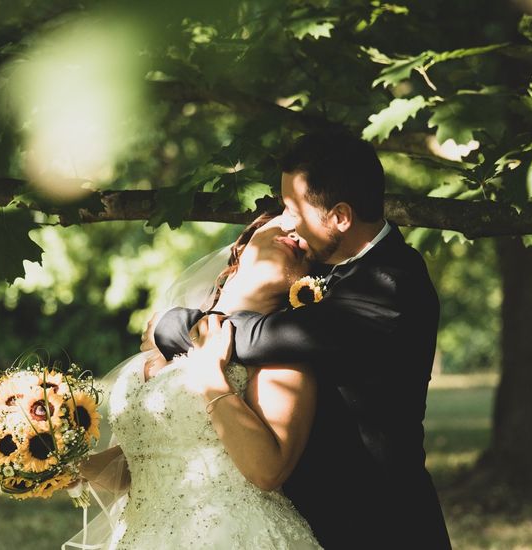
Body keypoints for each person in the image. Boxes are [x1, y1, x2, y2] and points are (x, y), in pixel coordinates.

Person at [146, 130, 452, 549]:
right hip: (307, 520)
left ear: (341, 216)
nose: (285, 221)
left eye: (293, 209)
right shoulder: (323, 264)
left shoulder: (390, 287)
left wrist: (175, 325)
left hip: (378, 524)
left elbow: (260, 337)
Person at [73, 212, 323, 549]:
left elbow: (268, 471)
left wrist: (211, 374)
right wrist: (72, 466)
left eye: (310, 240)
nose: (297, 233)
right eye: (287, 217)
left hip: (233, 536)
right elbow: (147, 457)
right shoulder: (167, 331)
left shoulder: (280, 348)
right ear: (244, 243)